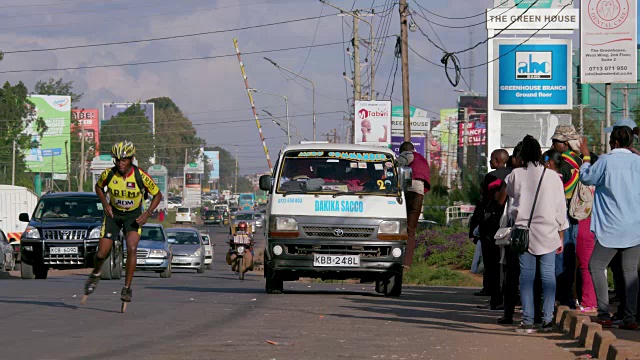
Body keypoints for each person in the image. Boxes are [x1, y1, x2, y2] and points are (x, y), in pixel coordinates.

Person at [81, 140, 162, 312]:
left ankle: (127, 288)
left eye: (124, 160)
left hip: (133, 215)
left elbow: (157, 195)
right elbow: (98, 187)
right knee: (102, 252)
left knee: (132, 247)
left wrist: (147, 213)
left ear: (131, 159)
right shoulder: (109, 174)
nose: (120, 163)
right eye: (117, 160)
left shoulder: (140, 176)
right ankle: (95, 274)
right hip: (114, 215)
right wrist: (105, 204)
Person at [505, 135, 567, 333]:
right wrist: (561, 234)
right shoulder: (552, 176)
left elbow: (512, 196)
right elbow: (560, 206)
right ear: (541, 153)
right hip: (548, 231)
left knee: (527, 277)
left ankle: (528, 320)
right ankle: (548, 319)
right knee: (548, 276)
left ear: (522, 154)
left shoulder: (515, 174)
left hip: (524, 233)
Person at [580, 127, 640, 330]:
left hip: (611, 227)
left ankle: (604, 313)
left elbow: (586, 178)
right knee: (630, 272)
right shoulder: (637, 162)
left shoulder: (605, 161)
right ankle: (631, 318)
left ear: (613, 142)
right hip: (634, 227)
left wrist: (586, 157)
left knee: (596, 266)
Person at [469, 149, 511, 308]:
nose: (489, 163)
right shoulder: (513, 173)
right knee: (506, 265)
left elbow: (485, 198)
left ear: (497, 160)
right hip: (509, 224)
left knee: (492, 263)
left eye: (491, 159)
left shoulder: (491, 177)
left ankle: (495, 299)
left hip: (492, 224)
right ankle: (504, 298)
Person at [550, 124, 582, 309]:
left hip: (563, 214)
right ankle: (567, 296)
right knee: (569, 255)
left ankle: (560, 296)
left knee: (560, 256)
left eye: (557, 141)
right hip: (575, 214)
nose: (554, 144)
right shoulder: (578, 160)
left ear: (566, 144)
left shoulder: (563, 162)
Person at [396, 142, 430, 268]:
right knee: (411, 230)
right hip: (419, 194)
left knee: (398, 225)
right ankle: (407, 263)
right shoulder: (423, 159)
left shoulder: (408, 154)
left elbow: (397, 164)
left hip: (407, 191)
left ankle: (395, 257)